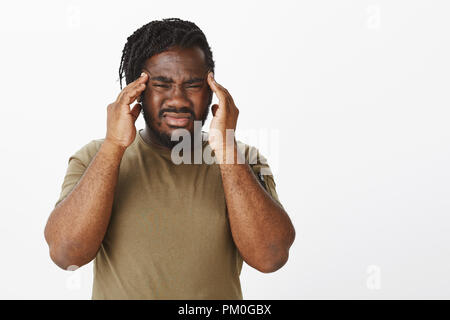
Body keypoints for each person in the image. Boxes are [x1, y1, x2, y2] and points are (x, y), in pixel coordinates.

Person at [44, 18, 295, 299]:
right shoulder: (93, 157)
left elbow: (271, 256)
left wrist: (226, 148)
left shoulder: (243, 159)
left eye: (193, 85)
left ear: (212, 90)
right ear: (135, 91)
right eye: (162, 84)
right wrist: (114, 146)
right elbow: (66, 254)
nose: (178, 99)